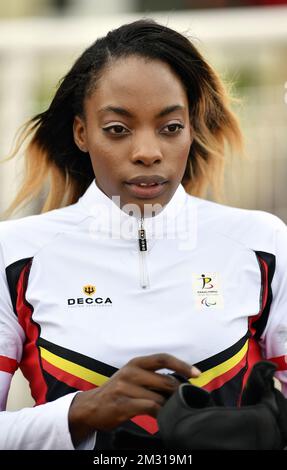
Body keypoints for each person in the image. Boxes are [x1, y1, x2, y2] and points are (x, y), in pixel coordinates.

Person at [0, 19, 286, 451]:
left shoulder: (262, 244)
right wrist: (80, 412)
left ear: (191, 128)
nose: (148, 151)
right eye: (118, 129)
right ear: (82, 132)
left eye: (170, 127)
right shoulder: (14, 254)